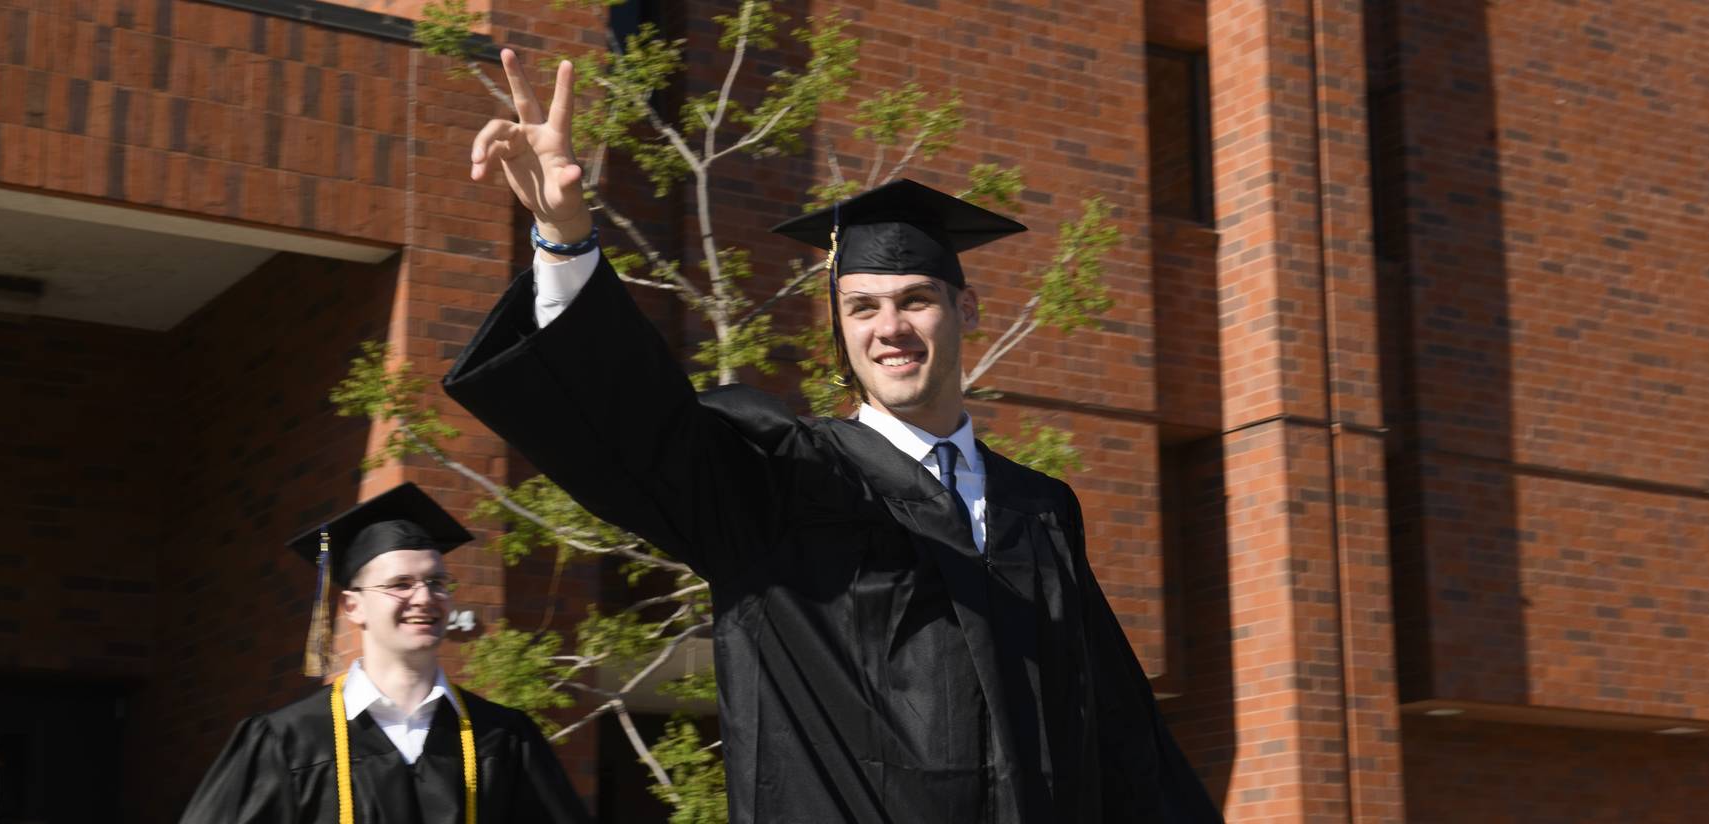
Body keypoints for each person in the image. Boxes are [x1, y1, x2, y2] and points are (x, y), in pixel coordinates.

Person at [447, 49, 1219, 823]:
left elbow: (1122, 737)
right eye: (861, 307)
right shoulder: (781, 481)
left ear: (966, 310)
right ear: (840, 324)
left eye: (916, 300)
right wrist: (565, 238)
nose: (890, 329)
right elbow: (638, 430)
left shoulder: (1040, 510)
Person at [180, 482, 591, 823]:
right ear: (352, 606)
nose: (424, 598)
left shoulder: (503, 738)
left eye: (437, 582)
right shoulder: (289, 741)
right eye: (400, 584)